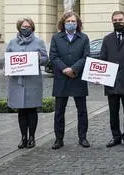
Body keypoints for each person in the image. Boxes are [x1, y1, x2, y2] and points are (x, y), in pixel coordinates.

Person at [49, 11, 90, 150]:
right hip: (62, 78)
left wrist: (74, 69)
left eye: (73, 21)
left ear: (77, 23)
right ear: (63, 23)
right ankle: (59, 139)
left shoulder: (84, 38)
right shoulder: (56, 37)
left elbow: (86, 57)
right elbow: (53, 57)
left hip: (78, 78)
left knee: (82, 111)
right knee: (59, 111)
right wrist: (65, 69)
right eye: (68, 21)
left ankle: (83, 137)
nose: (71, 23)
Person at [6, 17, 48, 149]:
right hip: (17, 81)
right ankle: (23, 137)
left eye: (28, 26)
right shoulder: (12, 43)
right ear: (19, 28)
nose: (25, 29)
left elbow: (45, 59)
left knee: (31, 110)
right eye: (23, 27)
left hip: (33, 81)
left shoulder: (39, 42)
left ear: (32, 28)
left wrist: (37, 58)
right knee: (21, 111)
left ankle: (32, 137)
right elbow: (8, 61)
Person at [100, 11, 124, 148]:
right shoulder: (107, 39)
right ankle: (115, 136)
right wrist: (99, 76)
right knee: (113, 112)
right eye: (115, 20)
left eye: (120, 19)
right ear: (112, 22)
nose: (118, 22)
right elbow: (102, 59)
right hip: (111, 81)